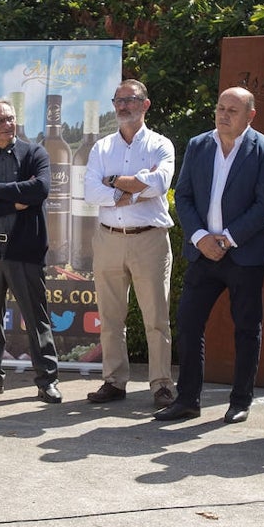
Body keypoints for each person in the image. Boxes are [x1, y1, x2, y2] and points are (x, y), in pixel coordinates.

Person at [154, 87, 264, 424]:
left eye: (233, 110)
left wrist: (225, 239)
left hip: (244, 253)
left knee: (246, 328)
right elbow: (183, 196)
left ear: (251, 115)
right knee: (188, 322)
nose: (223, 115)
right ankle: (187, 400)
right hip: (202, 254)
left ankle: (240, 400)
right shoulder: (199, 145)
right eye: (220, 108)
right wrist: (199, 238)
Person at [82, 79, 176, 409]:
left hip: (149, 238)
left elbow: (159, 183)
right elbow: (90, 192)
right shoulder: (102, 148)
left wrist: (114, 184)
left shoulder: (161, 145)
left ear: (145, 105)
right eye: (118, 101)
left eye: (130, 100)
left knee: (156, 318)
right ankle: (114, 381)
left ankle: (162, 384)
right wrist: (134, 187)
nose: (123, 106)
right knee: (110, 318)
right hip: (108, 239)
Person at [0, 98, 62, 404]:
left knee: (36, 316)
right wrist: (14, 199)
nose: (8, 124)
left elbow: (40, 189)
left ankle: (47, 380)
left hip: (24, 248)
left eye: (11, 118)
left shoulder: (34, 153)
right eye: (1, 120)